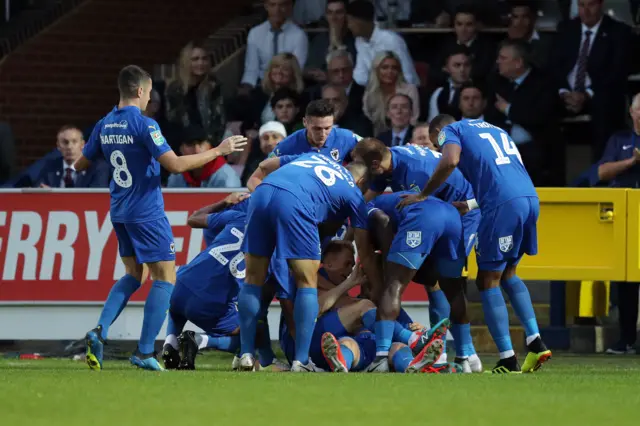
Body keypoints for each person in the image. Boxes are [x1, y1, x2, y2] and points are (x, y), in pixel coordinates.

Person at [74, 65, 247, 371]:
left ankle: (99, 329)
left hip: (119, 211)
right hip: (146, 212)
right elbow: (177, 165)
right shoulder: (145, 124)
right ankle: (143, 352)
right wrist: (219, 150)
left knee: (133, 274)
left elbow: (80, 164)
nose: (150, 98)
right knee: (164, 278)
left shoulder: (104, 124)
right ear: (140, 90)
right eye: (150, 93)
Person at [397, 115, 551, 373]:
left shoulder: (450, 131)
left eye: (436, 144)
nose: (438, 148)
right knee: (509, 273)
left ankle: (507, 358)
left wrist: (423, 194)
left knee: (487, 280)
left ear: (437, 132)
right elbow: (502, 175)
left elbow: (450, 160)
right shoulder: (496, 129)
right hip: (528, 198)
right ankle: (535, 339)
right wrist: (469, 205)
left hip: (501, 207)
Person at [236, 154, 379, 372]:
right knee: (307, 282)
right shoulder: (353, 193)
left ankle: (245, 354)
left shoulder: (314, 156)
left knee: (252, 279)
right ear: (360, 183)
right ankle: (301, 362)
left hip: (262, 192)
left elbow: (264, 165)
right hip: (296, 202)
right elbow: (364, 251)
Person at [355, 191, 467, 372]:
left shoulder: (365, 209)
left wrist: (384, 277)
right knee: (451, 289)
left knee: (393, 285)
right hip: (451, 216)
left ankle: (381, 358)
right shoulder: (393, 200)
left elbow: (383, 223)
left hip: (423, 216)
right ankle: (465, 356)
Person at [257, 99, 361, 166]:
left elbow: (372, 149)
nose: (323, 134)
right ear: (305, 122)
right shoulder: (287, 145)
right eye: (317, 129)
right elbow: (264, 169)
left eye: (327, 128)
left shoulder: (345, 136)